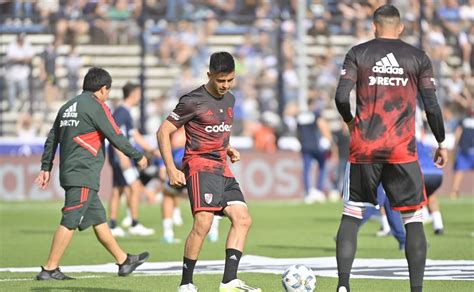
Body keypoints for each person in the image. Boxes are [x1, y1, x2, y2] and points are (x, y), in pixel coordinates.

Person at [334, 5, 448, 292]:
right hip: (402, 150)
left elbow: (340, 96)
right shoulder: (417, 57)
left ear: (374, 26)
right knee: (413, 219)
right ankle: (417, 289)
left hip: (364, 148)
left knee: (352, 213)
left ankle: (343, 286)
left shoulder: (358, 53)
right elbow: (431, 106)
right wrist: (441, 142)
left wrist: (350, 122)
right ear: (400, 28)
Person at [157, 52, 260, 292]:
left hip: (222, 167)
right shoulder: (193, 100)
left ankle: (229, 281)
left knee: (243, 219)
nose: (225, 85)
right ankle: (186, 284)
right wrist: (171, 168)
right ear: (209, 75)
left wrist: (229, 148)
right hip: (200, 166)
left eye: (230, 80)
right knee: (203, 223)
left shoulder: (231, 99)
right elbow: (163, 132)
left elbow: (217, 131)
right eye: (220, 80)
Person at [34, 67, 150, 281]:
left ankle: (123, 261)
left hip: (70, 172)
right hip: (84, 173)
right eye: (108, 91)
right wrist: (138, 156)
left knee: (98, 219)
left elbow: (52, 138)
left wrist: (45, 167)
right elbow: (116, 135)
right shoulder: (97, 107)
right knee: (70, 219)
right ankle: (49, 269)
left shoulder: (67, 106)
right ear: (102, 89)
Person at [107, 82, 157, 237]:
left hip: (120, 156)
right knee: (135, 187)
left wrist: (150, 149)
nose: (140, 97)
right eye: (139, 93)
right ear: (134, 93)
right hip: (120, 157)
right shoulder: (122, 112)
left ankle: (113, 225)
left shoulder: (126, 112)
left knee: (118, 190)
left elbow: (133, 134)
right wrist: (122, 157)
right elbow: (113, 134)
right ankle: (134, 223)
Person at [296, 98, 338, 204]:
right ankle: (319, 190)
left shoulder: (300, 116)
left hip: (305, 146)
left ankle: (309, 192)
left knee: (306, 169)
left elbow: (298, 133)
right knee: (322, 166)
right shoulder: (315, 114)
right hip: (316, 146)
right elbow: (323, 127)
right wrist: (331, 144)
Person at [5, 33, 34, 111]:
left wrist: (19, 59)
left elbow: (30, 59)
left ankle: (22, 107)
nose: (21, 41)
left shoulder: (27, 46)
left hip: (23, 74)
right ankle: (12, 108)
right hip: (11, 73)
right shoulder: (12, 46)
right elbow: (11, 58)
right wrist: (22, 59)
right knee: (12, 92)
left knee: (24, 92)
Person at [450, 112, 474, 199]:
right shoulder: (464, 120)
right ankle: (454, 191)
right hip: (464, 149)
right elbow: (458, 132)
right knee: (459, 170)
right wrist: (455, 146)